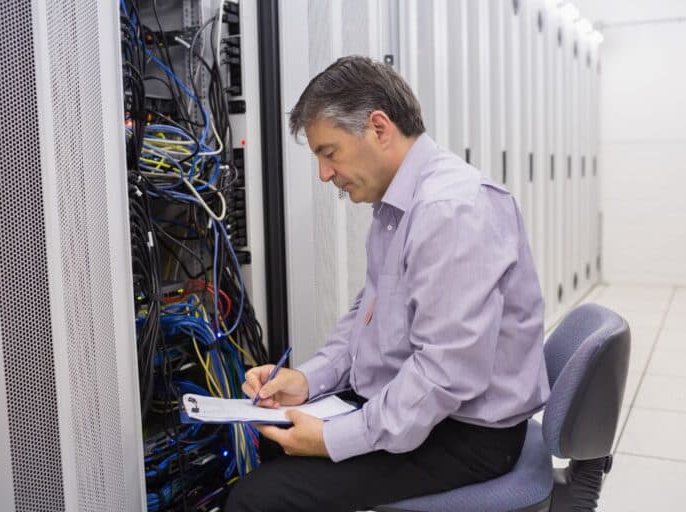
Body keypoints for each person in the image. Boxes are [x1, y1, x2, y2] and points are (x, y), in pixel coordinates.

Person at [225, 55, 549, 512]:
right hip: (431, 408)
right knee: (277, 439)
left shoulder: (448, 210)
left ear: (378, 127)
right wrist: (307, 380)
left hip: (468, 433)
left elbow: (445, 372)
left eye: (328, 152)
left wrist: (333, 438)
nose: (324, 174)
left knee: (257, 500)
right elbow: (369, 313)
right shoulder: (396, 206)